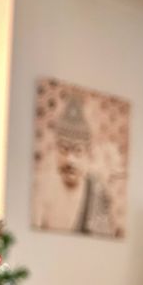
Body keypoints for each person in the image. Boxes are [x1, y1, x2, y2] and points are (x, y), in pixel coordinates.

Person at [33, 93, 116, 236]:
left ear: (88, 154)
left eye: (78, 151)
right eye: (64, 149)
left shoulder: (97, 192)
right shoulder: (42, 189)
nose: (69, 160)